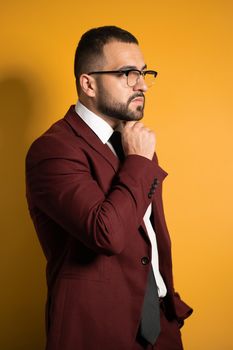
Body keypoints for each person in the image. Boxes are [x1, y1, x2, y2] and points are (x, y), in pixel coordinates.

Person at [26, 26, 192, 350]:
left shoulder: (134, 143)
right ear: (88, 83)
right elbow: (107, 234)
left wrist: (168, 306)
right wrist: (140, 162)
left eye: (144, 73)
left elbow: (150, 236)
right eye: (128, 74)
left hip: (160, 327)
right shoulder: (53, 150)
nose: (142, 85)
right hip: (97, 332)